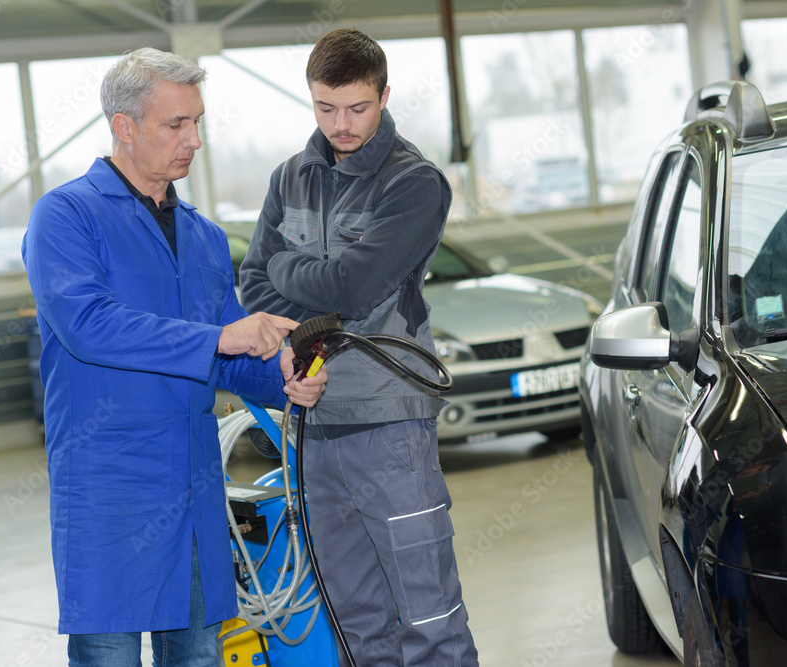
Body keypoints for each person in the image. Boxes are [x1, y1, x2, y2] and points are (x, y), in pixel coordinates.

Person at [22, 47, 328, 666]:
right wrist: (221, 338)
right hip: (110, 488)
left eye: (197, 121)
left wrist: (284, 376)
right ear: (123, 126)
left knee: (198, 657)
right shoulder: (67, 217)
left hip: (191, 489)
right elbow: (89, 326)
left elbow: (229, 355)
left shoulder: (205, 237)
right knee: (109, 656)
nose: (194, 139)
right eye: (176, 124)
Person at [239, 28, 478, 666]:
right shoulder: (288, 178)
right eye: (326, 107)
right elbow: (251, 282)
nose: (341, 124)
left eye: (357, 108)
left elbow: (356, 283)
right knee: (358, 628)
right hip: (313, 428)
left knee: (430, 623)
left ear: (384, 95)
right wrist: (303, 289)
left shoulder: (412, 183)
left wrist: (289, 272)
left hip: (389, 427)